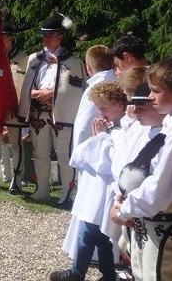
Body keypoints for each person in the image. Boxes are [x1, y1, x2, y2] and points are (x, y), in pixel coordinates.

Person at [110, 56, 172, 281]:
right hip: (149, 223)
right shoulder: (170, 125)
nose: (150, 96)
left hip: (166, 229)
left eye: (155, 91)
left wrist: (124, 210)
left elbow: (158, 188)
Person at [51, 81, 127, 281]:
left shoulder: (124, 130)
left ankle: (77, 273)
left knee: (88, 233)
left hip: (106, 192)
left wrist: (100, 138)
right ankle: (108, 275)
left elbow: (109, 160)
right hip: (97, 190)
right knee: (100, 236)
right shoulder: (113, 127)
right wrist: (100, 137)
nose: (100, 113)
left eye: (104, 108)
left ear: (119, 105)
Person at [16, 13, 86, 205]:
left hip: (62, 115)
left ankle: (68, 193)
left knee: (65, 155)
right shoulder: (34, 59)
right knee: (40, 153)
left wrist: (51, 94)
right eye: (44, 35)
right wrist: (32, 94)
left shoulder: (73, 62)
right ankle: (42, 191)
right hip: (38, 113)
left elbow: (76, 90)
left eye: (50, 34)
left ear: (61, 35)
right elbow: (27, 84)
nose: (46, 38)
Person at [0, 21, 28, 191]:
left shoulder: (23, 59)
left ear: (10, 38)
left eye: (2, 37)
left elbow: (26, 85)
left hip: (14, 108)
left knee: (16, 145)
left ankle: (16, 181)